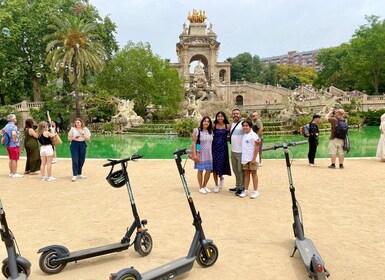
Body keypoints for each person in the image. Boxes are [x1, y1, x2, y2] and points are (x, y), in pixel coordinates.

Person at [191, 116, 214, 194]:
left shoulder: (211, 131)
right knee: (200, 170)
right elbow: (194, 143)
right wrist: (194, 154)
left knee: (208, 170)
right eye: (205, 121)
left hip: (209, 154)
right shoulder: (197, 131)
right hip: (200, 153)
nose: (206, 122)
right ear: (202, 122)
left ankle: (204, 185)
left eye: (208, 121)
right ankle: (200, 187)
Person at [239, 119, 260, 199]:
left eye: (246, 126)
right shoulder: (244, 135)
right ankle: (246, 190)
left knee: (254, 174)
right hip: (245, 158)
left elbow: (256, 147)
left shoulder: (254, 135)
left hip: (252, 158)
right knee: (246, 174)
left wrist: (254, 158)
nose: (245, 127)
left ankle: (255, 191)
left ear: (250, 126)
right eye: (243, 126)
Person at [211, 111, 231, 193]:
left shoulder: (228, 126)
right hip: (214, 148)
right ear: (216, 117)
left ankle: (221, 177)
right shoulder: (213, 126)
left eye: (221, 116)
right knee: (215, 166)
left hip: (223, 148)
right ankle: (216, 184)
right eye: (218, 116)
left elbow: (232, 136)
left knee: (221, 164)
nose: (220, 118)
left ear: (224, 117)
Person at [68, 118, 91, 182]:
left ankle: (79, 173)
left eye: (78, 122)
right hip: (74, 144)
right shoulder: (72, 129)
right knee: (75, 159)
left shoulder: (85, 129)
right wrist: (73, 138)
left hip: (82, 144)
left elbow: (88, 139)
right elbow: (69, 138)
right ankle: (74, 174)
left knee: (81, 159)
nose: (77, 124)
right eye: (76, 122)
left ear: (81, 123)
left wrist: (82, 134)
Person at [1, 114, 23, 178]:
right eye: (15, 118)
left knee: (11, 159)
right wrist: (15, 140)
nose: (16, 119)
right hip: (14, 145)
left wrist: (5, 137)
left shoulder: (6, 126)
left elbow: (1, 132)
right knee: (15, 159)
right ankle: (14, 173)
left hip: (9, 145)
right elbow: (13, 134)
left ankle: (11, 173)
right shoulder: (14, 126)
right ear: (13, 119)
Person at [229, 108, 245, 196]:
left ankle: (242, 187)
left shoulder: (243, 124)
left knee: (241, 170)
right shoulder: (232, 125)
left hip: (241, 152)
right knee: (235, 170)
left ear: (240, 115)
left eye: (237, 114)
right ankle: (237, 185)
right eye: (234, 114)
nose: (235, 115)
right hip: (233, 151)